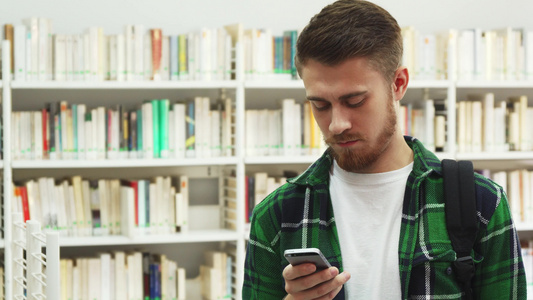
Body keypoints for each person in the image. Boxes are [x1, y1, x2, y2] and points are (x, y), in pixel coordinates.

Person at [242, 0, 526, 299]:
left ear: (398, 84)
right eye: (320, 105)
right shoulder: (276, 215)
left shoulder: (481, 203)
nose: (337, 124)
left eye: (355, 101)